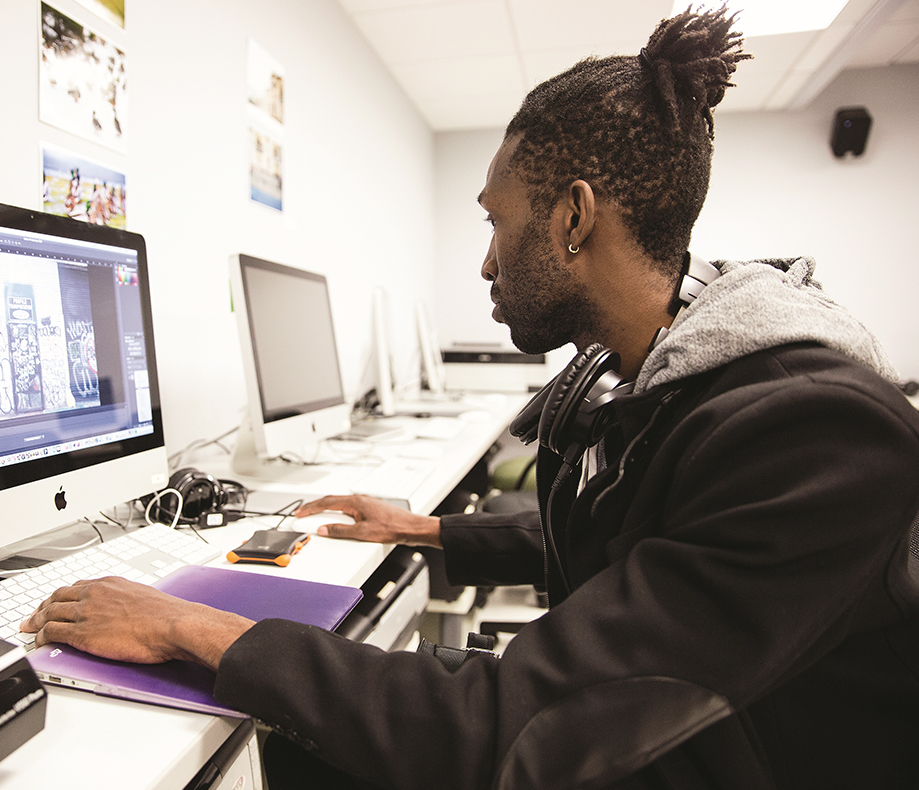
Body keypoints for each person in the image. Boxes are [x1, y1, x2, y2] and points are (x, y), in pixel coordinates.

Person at [22, 7, 919, 789]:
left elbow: (508, 721)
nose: (486, 261)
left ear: (572, 218)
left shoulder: (810, 432)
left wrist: (191, 626)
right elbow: (647, 542)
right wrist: (430, 532)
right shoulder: (671, 373)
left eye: (496, 221)